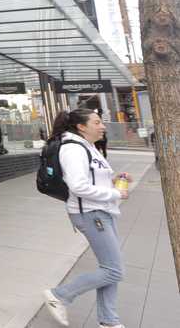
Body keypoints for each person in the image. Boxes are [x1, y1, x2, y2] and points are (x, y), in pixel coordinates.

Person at [42, 109, 133, 328]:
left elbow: (93, 179)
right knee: (113, 270)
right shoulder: (73, 149)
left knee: (110, 268)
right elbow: (79, 187)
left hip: (101, 212)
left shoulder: (87, 146)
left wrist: (114, 180)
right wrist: (115, 194)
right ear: (82, 127)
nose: (103, 126)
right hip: (91, 214)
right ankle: (59, 295)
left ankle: (109, 321)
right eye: (97, 122)